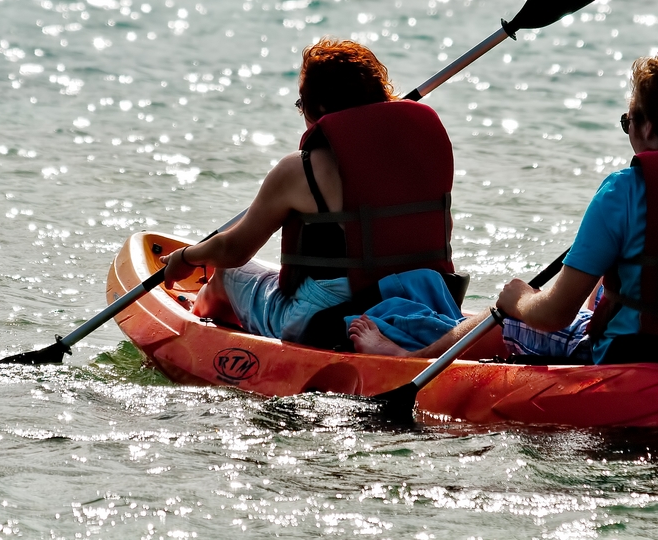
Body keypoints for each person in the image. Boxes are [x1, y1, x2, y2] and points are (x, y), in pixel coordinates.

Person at [349, 43, 658, 370]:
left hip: (630, 353)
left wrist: (516, 300)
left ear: (648, 130)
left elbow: (552, 313)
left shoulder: (623, 191)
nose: (629, 131)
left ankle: (404, 360)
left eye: (627, 121)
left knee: (512, 317)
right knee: (594, 301)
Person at [161, 38, 459, 349]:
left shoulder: (299, 169)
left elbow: (234, 250)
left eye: (301, 104)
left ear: (317, 108)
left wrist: (186, 257)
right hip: (417, 298)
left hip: (323, 316)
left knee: (226, 275)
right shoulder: (417, 160)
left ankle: (204, 340)